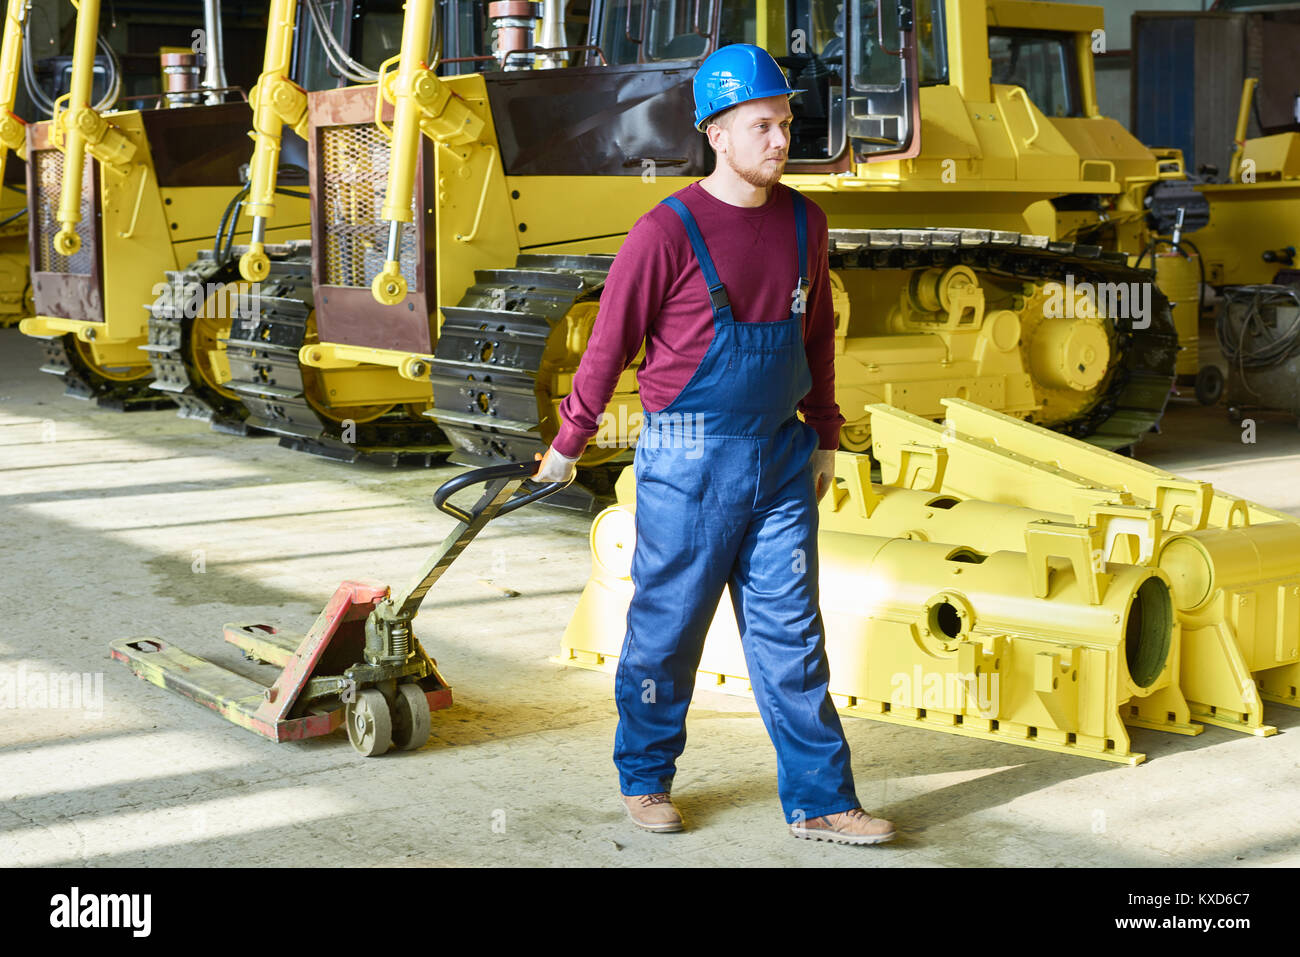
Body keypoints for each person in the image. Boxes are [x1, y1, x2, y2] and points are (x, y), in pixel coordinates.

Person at [535, 43, 895, 846]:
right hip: (687, 460)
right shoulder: (665, 233)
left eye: (785, 122)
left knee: (793, 636)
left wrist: (827, 433)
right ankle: (646, 777)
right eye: (762, 125)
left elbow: (818, 335)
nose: (779, 139)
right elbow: (608, 347)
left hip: (779, 455)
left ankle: (822, 800)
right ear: (717, 132)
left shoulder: (807, 220)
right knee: (668, 630)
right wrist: (569, 441)